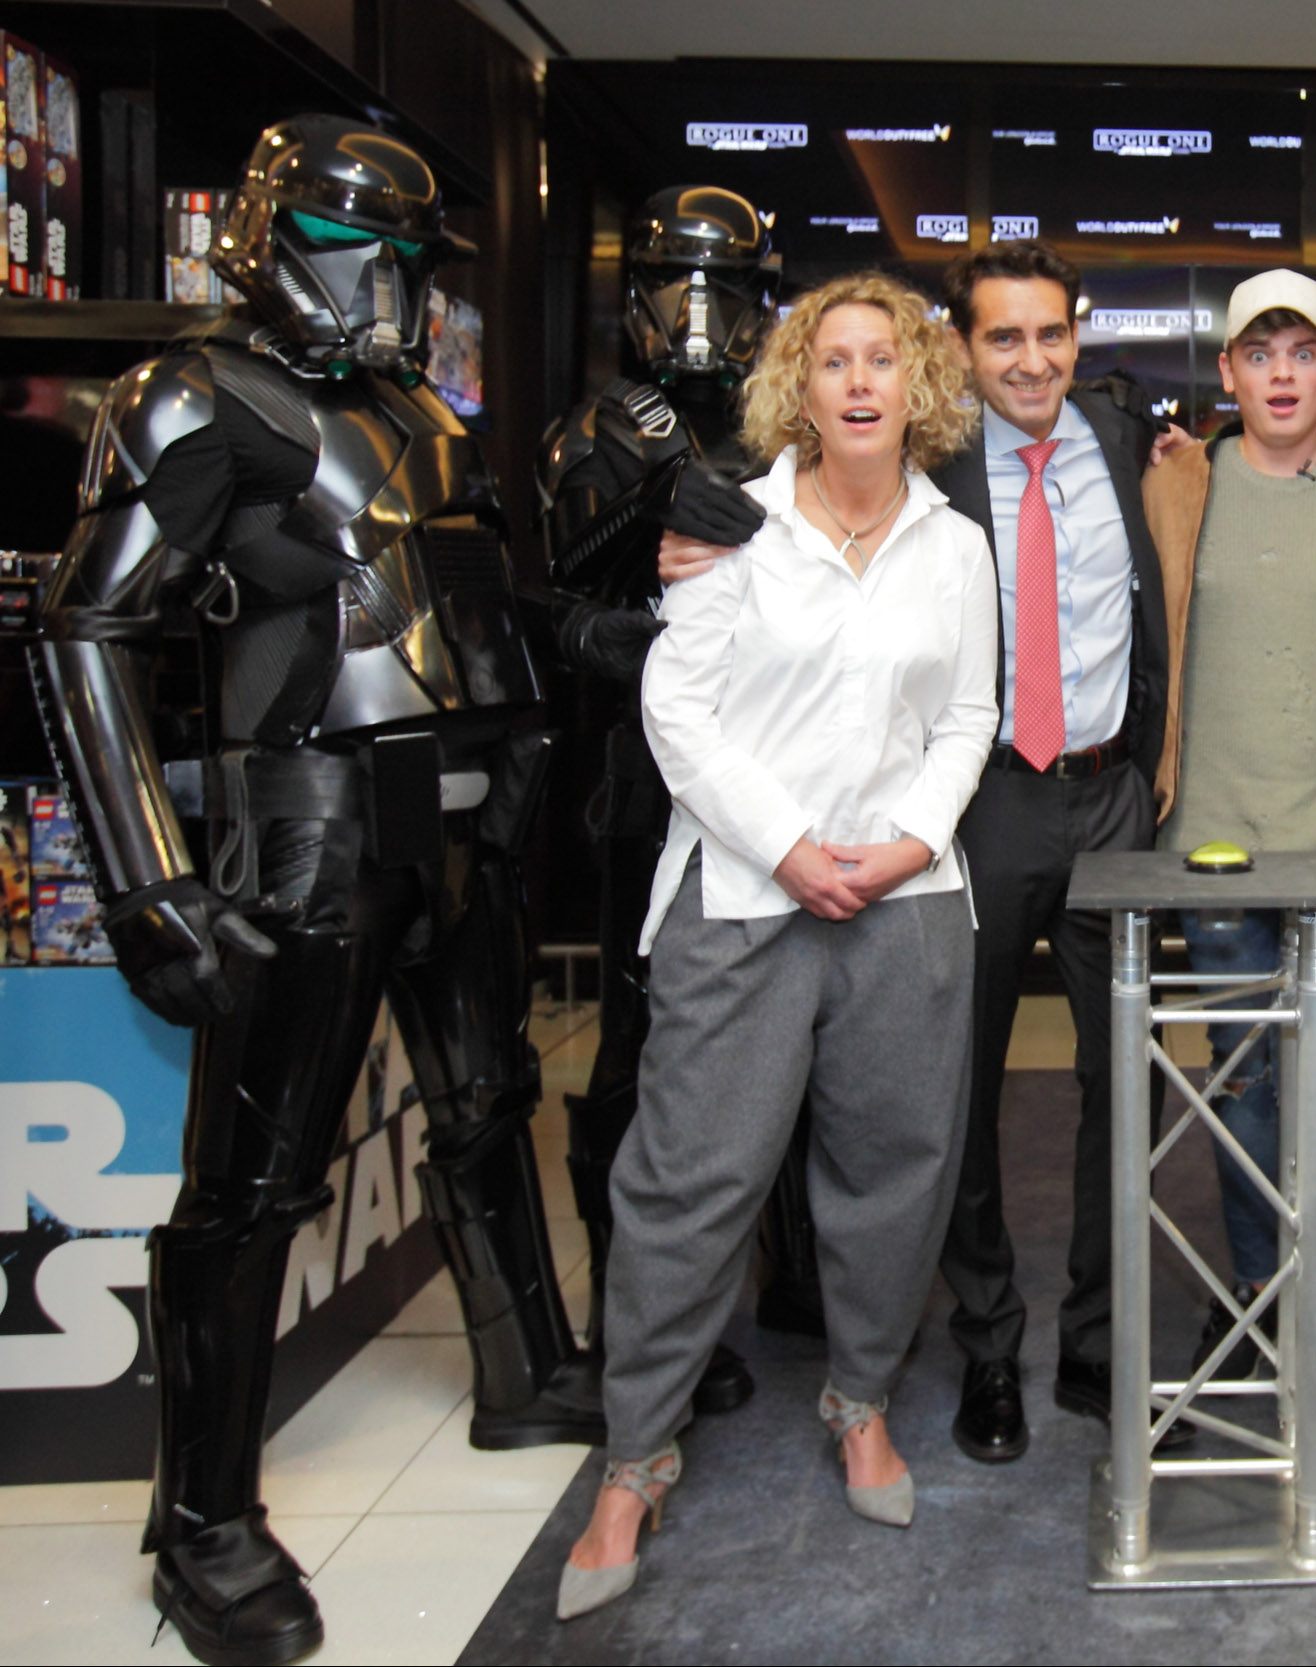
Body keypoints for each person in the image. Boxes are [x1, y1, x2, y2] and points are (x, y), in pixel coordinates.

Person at [38, 115, 599, 1667]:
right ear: (275, 242)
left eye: (414, 266)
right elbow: (83, 631)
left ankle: (525, 1366)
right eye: (370, 257)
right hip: (305, 822)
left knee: (487, 1104)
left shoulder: (414, 405)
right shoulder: (195, 393)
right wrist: (148, 877)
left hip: (453, 820)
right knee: (251, 1180)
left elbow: (466, 608)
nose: (395, 294)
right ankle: (201, 1515)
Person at [675, 240, 1179, 1463]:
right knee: (957, 1092)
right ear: (957, 349)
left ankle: (1102, 1341)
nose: (1030, 359)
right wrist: (697, 525)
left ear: (1078, 337)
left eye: (1049, 334)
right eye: (1001, 337)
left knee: (1130, 1078)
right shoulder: (925, 457)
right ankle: (989, 1344)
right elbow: (795, 461)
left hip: (1110, 800)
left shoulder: (1122, 437)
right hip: (977, 806)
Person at [558, 271, 996, 1620]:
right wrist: (792, 848)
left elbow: (971, 712)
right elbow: (675, 712)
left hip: (906, 902)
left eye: (882, 361)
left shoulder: (953, 542)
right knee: (691, 1179)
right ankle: (636, 1452)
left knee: (893, 1171)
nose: (859, 383)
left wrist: (912, 840)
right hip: (747, 898)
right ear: (794, 388)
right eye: (833, 362)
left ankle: (861, 1399)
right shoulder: (730, 530)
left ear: (916, 386)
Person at [536, 184, 806, 1425]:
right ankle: (641, 1318)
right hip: (648, 782)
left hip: (793, 769)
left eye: (726, 292)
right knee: (650, 1058)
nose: (698, 319)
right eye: (672, 288)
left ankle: (797, 1276)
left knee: (808, 1022)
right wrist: (637, 637)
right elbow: (541, 611)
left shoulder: (793, 422)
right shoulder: (599, 432)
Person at [1143, 270, 1316, 1425]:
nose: (1282, 373)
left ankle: (1308, 1306)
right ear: (1227, 373)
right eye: (1260, 353)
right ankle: (1254, 1288)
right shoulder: (1178, 482)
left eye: (1303, 352)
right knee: (1239, 1075)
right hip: (1213, 840)